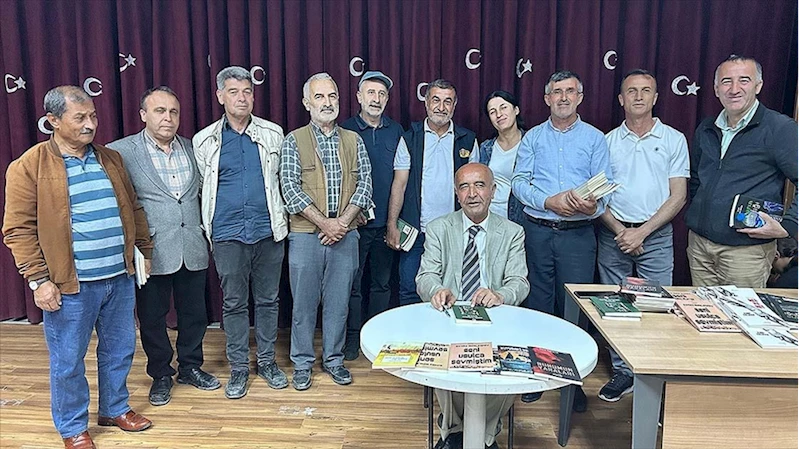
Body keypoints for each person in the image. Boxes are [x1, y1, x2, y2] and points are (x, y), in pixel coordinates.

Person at [2, 86, 153, 449]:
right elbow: (17, 229)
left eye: (93, 116)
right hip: (70, 285)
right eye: (80, 118)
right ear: (53, 121)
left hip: (118, 277)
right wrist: (39, 280)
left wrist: (143, 251)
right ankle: (72, 426)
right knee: (68, 360)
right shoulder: (29, 166)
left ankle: (115, 408)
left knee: (120, 349)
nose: (90, 125)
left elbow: (132, 208)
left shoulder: (110, 158)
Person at [107, 86, 220, 407]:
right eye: (159, 111)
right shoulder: (121, 152)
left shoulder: (194, 147)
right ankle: (160, 374)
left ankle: (190, 367)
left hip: (192, 244)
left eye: (173, 112)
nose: (167, 118)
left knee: (194, 314)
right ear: (143, 114)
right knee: (152, 317)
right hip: (151, 250)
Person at [511, 70, 612, 408]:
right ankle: (538, 374)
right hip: (538, 231)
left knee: (574, 309)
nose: (564, 97)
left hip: (578, 236)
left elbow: (606, 188)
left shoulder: (595, 139)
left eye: (570, 91)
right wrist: (547, 201)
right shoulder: (533, 138)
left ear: (580, 97)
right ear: (547, 98)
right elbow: (519, 182)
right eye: (557, 92)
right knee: (539, 305)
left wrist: (594, 206)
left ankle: (571, 381)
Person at [416, 163, 528, 449]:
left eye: (479, 185)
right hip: (450, 317)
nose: (472, 193)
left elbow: (519, 281)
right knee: (441, 357)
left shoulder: (512, 232)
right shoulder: (439, 228)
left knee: (509, 362)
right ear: (457, 193)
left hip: (495, 318)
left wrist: (500, 295)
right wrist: (437, 290)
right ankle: (458, 431)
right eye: (464, 187)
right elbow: (425, 276)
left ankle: (478, 435)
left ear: (493, 191)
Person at [193, 66, 288, 399]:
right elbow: (201, 189)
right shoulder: (204, 140)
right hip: (227, 234)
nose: (241, 98)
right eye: (233, 92)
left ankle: (267, 362)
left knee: (268, 300)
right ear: (220, 96)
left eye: (247, 91)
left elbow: (282, 181)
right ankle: (239, 368)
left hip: (267, 232)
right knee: (234, 303)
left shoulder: (273, 134)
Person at [597, 70, 689, 402]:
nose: (638, 96)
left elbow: (678, 195)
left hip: (656, 235)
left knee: (656, 306)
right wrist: (622, 231)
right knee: (615, 306)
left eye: (646, 90)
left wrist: (643, 232)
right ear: (621, 99)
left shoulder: (673, 139)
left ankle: (652, 373)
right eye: (632, 91)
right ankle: (623, 371)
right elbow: (597, 196)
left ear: (656, 97)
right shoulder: (606, 142)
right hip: (614, 233)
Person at [280, 73, 373, 391]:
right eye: (319, 97)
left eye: (332, 96)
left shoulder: (354, 140)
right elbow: (290, 189)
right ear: (307, 103)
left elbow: (365, 186)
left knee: (339, 303)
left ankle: (333, 360)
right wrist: (325, 223)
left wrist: (341, 223)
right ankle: (302, 363)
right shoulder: (294, 140)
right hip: (306, 235)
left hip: (345, 234)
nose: (327, 102)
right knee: (303, 305)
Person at [686, 55, 798, 287]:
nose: (734, 89)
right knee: (702, 311)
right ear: (716, 89)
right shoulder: (706, 128)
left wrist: (788, 226)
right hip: (700, 247)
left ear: (758, 85)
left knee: (741, 311)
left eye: (744, 80)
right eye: (726, 81)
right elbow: (696, 179)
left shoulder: (780, 129)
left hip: (746, 253)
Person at [386, 79, 479, 306]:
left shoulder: (468, 139)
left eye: (448, 101)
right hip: (417, 232)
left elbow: (475, 189)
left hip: (455, 232)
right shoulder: (410, 138)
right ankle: (411, 331)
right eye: (436, 100)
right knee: (410, 289)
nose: (441, 107)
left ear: (454, 105)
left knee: (453, 292)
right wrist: (391, 225)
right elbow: (399, 184)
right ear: (426, 102)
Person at [340, 71, 403, 360]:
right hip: (353, 224)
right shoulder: (344, 130)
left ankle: (377, 336)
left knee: (382, 284)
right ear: (359, 97)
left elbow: (401, 180)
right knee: (352, 285)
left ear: (387, 99)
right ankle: (353, 338)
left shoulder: (396, 131)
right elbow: (339, 178)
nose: (376, 99)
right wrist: (351, 213)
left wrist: (392, 222)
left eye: (381, 94)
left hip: (385, 224)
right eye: (371, 93)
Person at [478, 90, 526, 224]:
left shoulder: (531, 144)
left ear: (516, 110)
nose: (499, 114)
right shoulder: (486, 148)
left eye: (503, 107)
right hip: (488, 218)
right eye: (492, 112)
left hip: (519, 220)